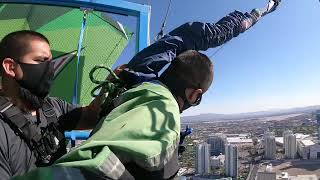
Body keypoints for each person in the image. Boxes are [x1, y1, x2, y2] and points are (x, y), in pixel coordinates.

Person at [13, 1, 280, 180]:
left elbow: (193, 36)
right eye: (41, 62)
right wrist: (252, 18)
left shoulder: (134, 75)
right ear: (194, 95)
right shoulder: (157, 108)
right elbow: (91, 169)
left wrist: (251, 17)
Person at [0, 30, 103, 179]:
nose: (49, 69)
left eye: (50, 62)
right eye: (41, 61)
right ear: (10, 67)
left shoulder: (53, 107)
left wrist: (113, 84)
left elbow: (92, 115)